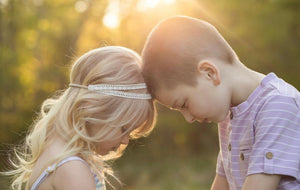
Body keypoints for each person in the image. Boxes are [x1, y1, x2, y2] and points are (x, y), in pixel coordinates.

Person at [141, 16, 300, 190]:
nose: (188, 118)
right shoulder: (228, 115)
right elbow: (222, 182)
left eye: (184, 104)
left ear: (209, 73)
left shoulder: (278, 105)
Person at [4, 46, 156, 190]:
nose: (125, 141)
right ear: (91, 108)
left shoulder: (53, 152)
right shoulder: (72, 169)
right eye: (124, 129)